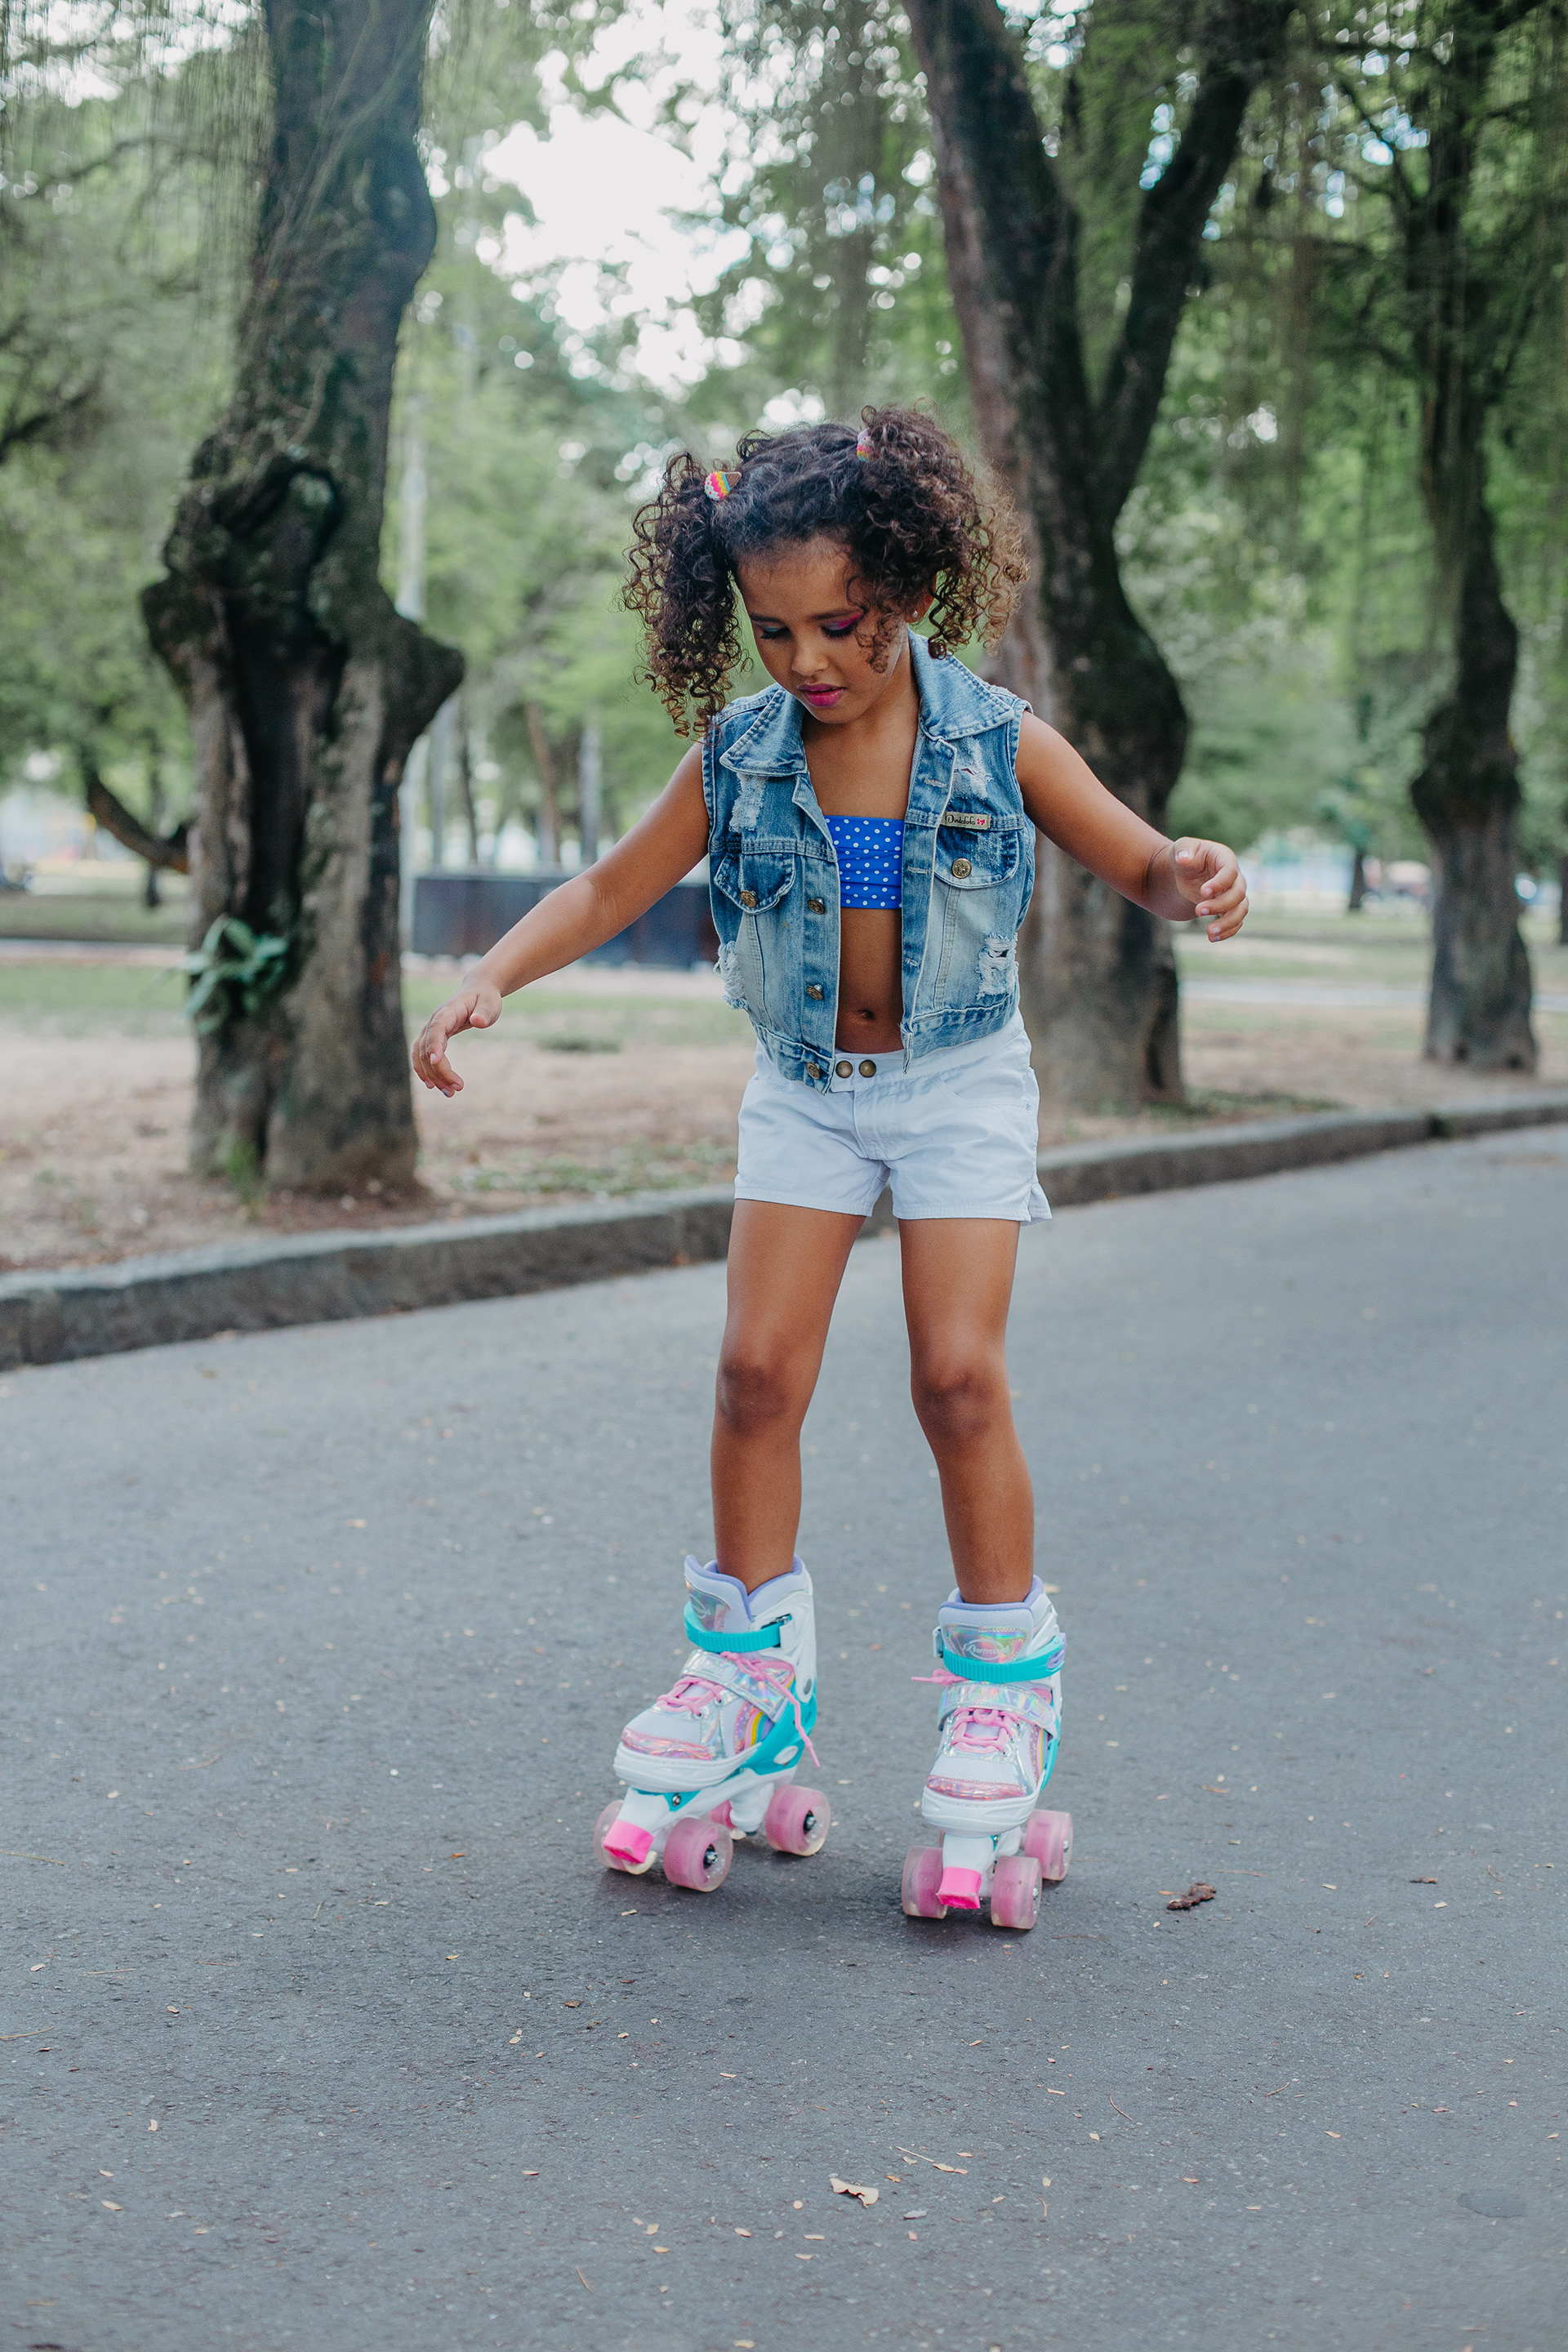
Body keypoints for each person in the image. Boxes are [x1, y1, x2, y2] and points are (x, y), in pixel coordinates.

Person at [412, 408, 1249, 1920]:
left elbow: (1136, 861)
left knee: (957, 1380)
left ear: (912, 591)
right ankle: (745, 1681)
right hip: (805, 1090)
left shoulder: (998, 738)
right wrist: (493, 973)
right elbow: (608, 886)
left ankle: (1000, 1692)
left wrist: (1192, 875)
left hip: (958, 1085)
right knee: (754, 1375)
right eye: (774, 629)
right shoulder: (738, 754)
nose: (807, 660)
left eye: (841, 626)